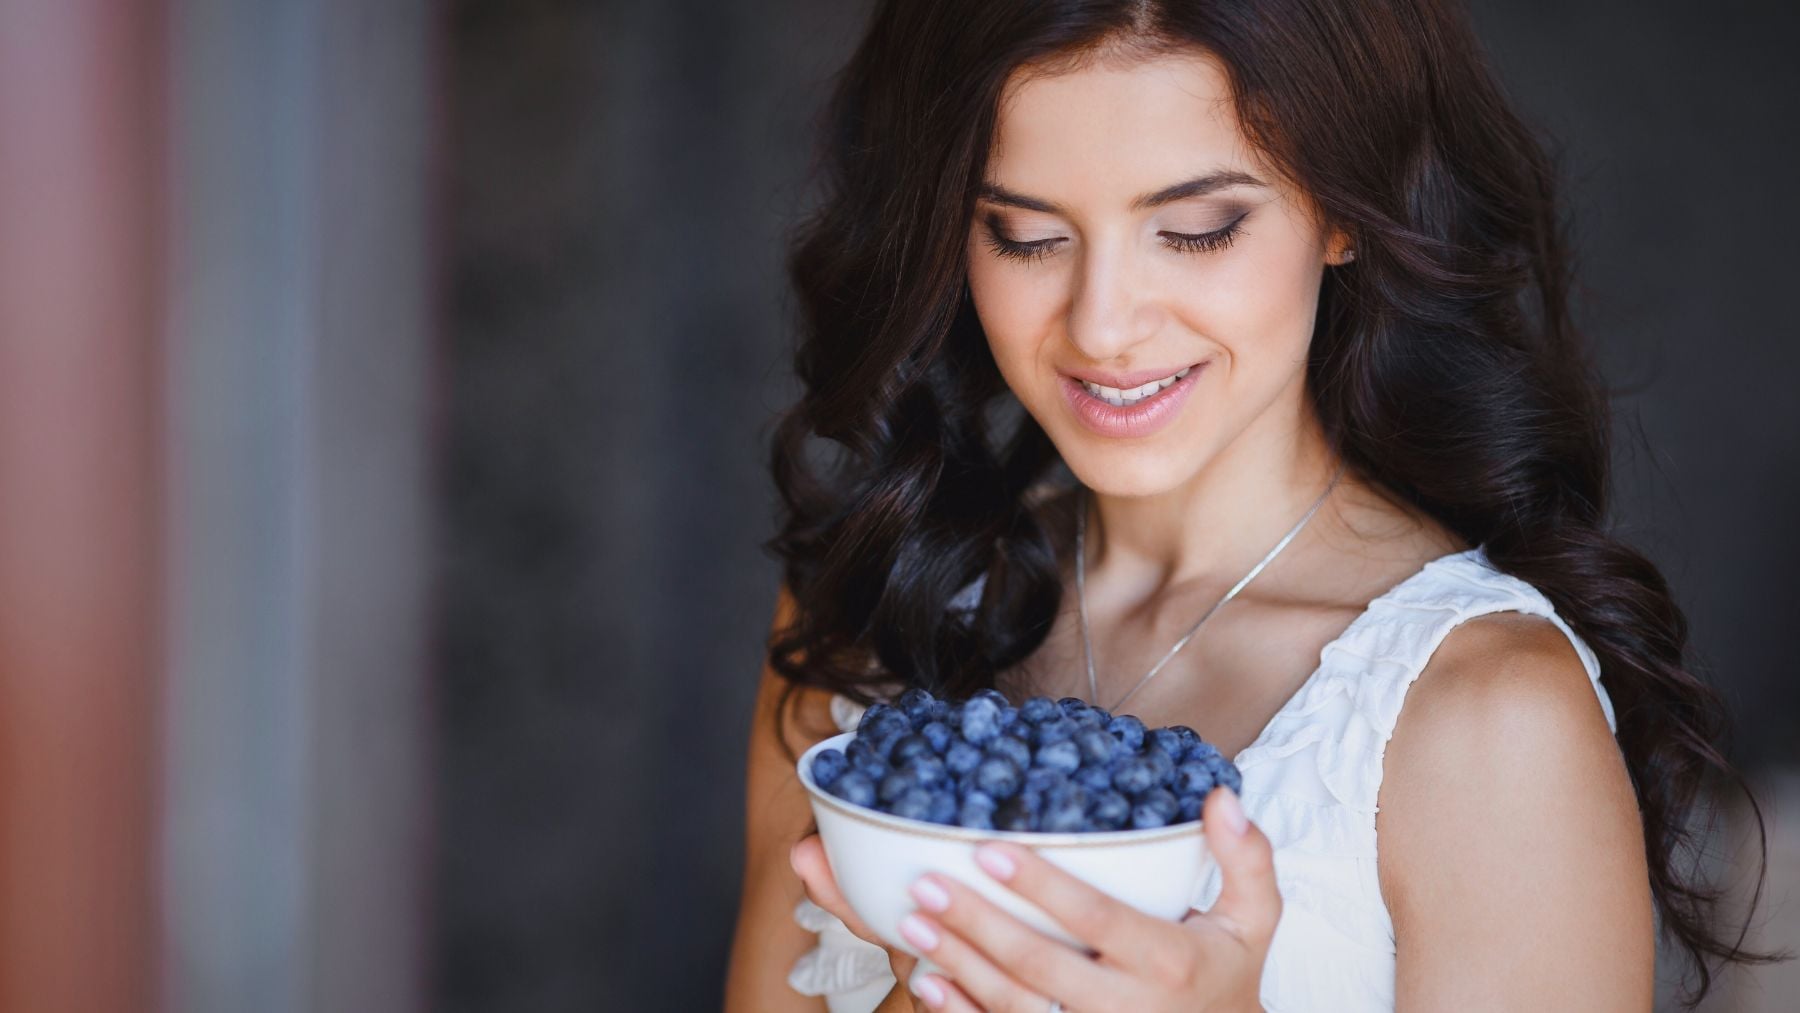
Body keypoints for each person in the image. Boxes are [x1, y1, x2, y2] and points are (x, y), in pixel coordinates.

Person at [724, 1, 1773, 1010]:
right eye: (1025, 234)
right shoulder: (870, 608)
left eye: (1196, 228)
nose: (1104, 327)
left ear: (1345, 215)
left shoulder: (1488, 719)